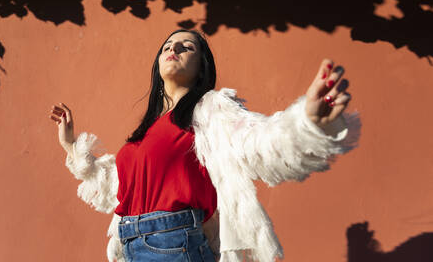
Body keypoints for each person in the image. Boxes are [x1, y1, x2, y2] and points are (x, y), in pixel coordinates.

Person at [49, 29, 360, 262]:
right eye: (168, 46)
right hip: (129, 245)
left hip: (174, 244)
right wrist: (71, 146)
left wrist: (307, 120)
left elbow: (258, 140)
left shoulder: (210, 110)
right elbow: (118, 188)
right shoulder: (149, 129)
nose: (174, 49)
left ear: (202, 66)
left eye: (187, 47)